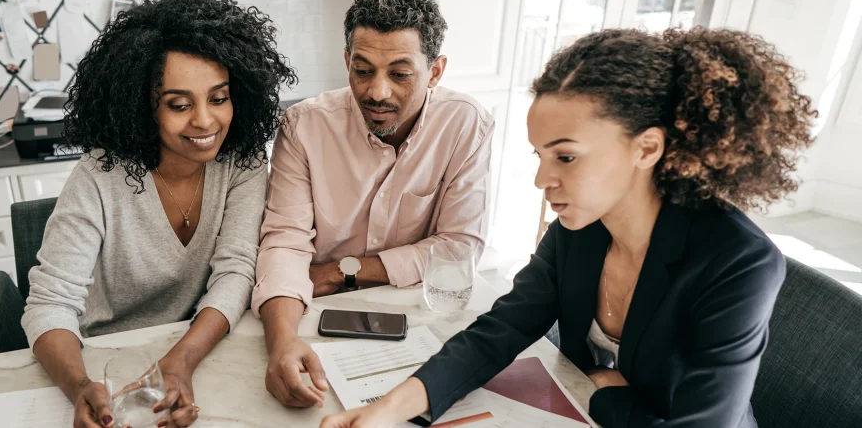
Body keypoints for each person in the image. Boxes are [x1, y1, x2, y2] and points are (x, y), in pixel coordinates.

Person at [321, 27, 816, 428]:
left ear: (646, 149)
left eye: (566, 156)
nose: (542, 179)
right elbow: (502, 329)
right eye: (539, 156)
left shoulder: (738, 262)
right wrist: (387, 409)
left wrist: (603, 396)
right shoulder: (581, 226)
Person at [20, 0, 295, 428]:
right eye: (179, 105)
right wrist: (78, 386)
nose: (205, 121)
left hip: (197, 347)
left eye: (219, 98)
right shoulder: (99, 175)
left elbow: (237, 269)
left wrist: (181, 361)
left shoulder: (241, 160)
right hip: (102, 359)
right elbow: (50, 304)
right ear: (141, 107)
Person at [251, 0, 495, 409]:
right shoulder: (303, 126)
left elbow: (460, 248)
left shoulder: (466, 125)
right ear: (346, 61)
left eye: (400, 74)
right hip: (310, 312)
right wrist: (282, 342)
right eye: (362, 70)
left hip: (420, 319)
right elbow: (284, 241)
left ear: (435, 72)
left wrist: (342, 270)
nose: (377, 92)